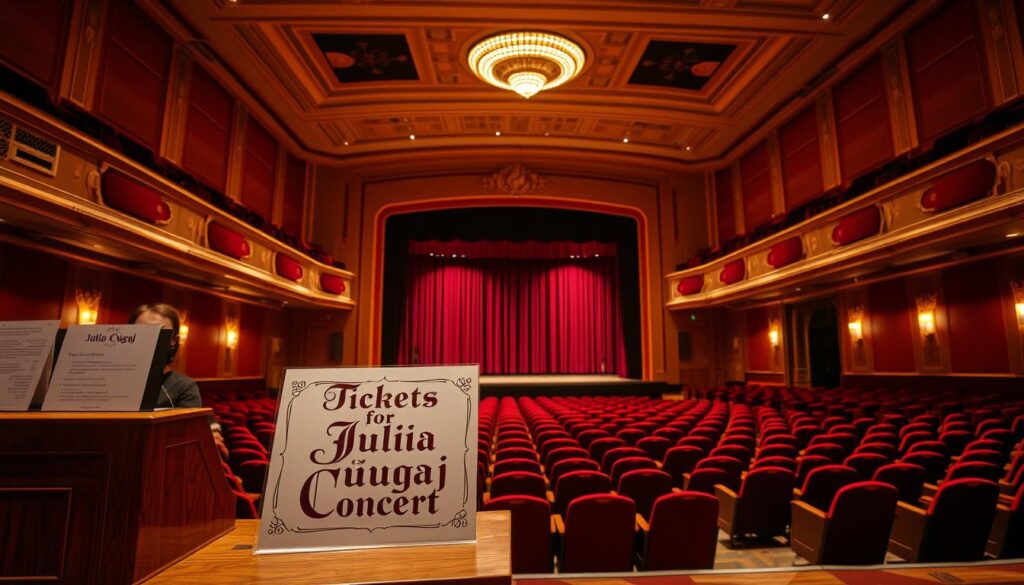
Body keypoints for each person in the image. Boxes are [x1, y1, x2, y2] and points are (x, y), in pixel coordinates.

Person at [129, 303, 201, 409]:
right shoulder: (112, 377)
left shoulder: (184, 387)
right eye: (142, 332)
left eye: (159, 333)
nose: (149, 340)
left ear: (173, 340)